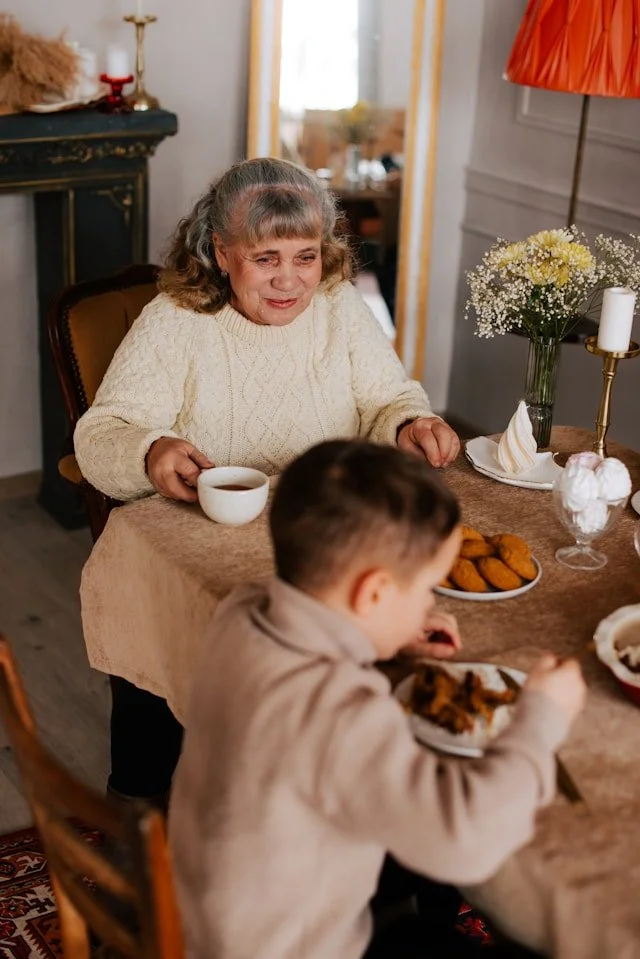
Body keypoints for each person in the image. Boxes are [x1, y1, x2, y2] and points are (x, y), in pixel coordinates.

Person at [73, 157, 460, 807]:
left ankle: (328, 797)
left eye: (306, 256)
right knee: (162, 613)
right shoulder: (177, 318)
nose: (290, 280)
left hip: (326, 534)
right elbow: (102, 430)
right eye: (266, 257)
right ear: (223, 253)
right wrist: (149, 449)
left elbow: (385, 396)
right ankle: (137, 802)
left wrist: (407, 423)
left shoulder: (339, 305)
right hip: (207, 540)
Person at [168, 439, 585, 959]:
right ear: (372, 594)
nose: (429, 602)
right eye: (427, 589)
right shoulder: (340, 711)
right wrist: (541, 718)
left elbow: (315, 625)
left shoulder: (241, 610)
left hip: (209, 918)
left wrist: (380, 635)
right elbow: (465, 842)